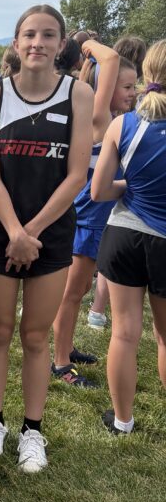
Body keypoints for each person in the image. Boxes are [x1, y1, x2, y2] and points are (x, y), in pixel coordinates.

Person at [0, 5, 93, 472]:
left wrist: (33, 233)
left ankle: (33, 431)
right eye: (29, 35)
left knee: (37, 336)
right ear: (16, 42)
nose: (38, 43)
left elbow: (76, 174)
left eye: (48, 35)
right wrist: (15, 232)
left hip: (52, 236)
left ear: (61, 44)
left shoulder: (77, 94)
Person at [51, 42, 137, 386]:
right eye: (127, 86)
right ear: (107, 86)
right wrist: (87, 43)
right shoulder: (99, 116)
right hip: (85, 218)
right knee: (72, 293)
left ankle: (66, 345)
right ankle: (58, 363)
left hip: (97, 218)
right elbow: (111, 58)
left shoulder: (116, 119)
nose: (134, 93)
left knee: (82, 286)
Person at [92, 40, 166, 434]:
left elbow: (99, 191)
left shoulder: (124, 123)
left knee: (123, 332)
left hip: (125, 234)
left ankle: (122, 421)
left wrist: (130, 187)